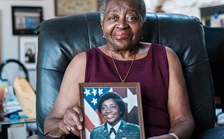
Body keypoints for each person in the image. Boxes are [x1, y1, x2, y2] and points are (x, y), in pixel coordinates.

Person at [44, 0, 195, 138]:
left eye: (131, 18)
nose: (122, 25)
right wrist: (64, 124)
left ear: (143, 25)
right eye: (113, 18)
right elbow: (49, 125)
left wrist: (171, 137)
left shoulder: (165, 57)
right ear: (102, 25)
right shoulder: (82, 62)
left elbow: (183, 120)